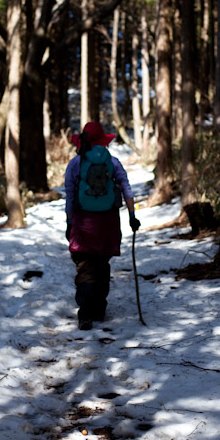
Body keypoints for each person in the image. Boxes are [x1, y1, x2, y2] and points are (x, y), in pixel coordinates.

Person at [64, 121, 140, 330]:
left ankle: (86, 312)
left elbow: (70, 196)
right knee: (102, 264)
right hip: (108, 223)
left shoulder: (75, 164)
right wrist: (132, 215)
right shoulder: (113, 162)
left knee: (84, 266)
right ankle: (99, 308)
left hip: (82, 224)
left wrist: (69, 222)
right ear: (103, 141)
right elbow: (126, 188)